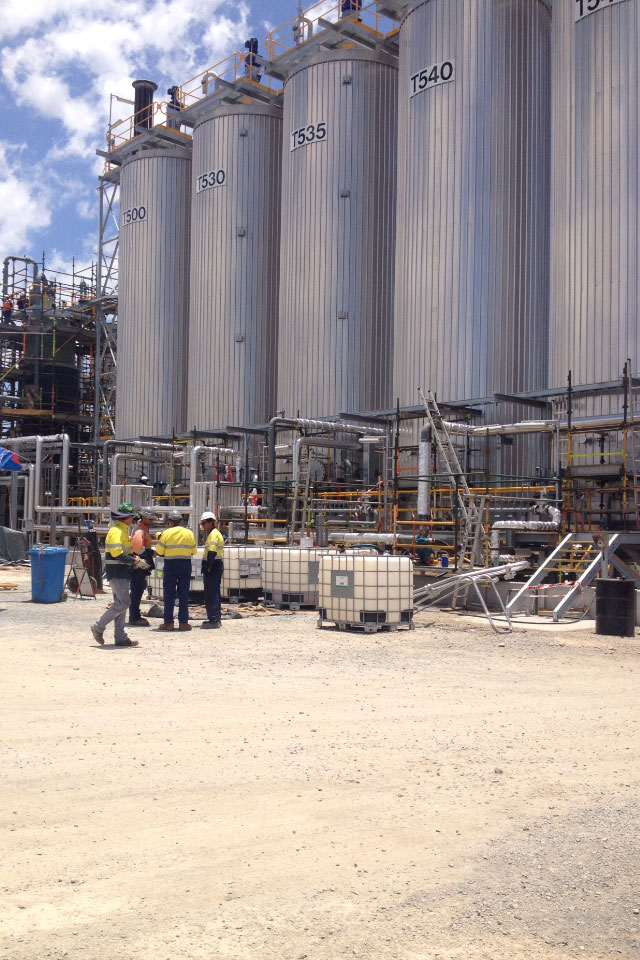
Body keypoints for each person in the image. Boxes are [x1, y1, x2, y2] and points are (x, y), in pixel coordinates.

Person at [91, 503, 148, 647]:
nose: (133, 520)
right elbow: (117, 554)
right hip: (117, 572)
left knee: (121, 605)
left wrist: (134, 559)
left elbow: (123, 552)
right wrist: (134, 561)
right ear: (128, 517)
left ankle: (120, 637)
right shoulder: (117, 531)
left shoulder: (121, 530)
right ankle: (98, 627)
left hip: (121, 572)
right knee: (124, 603)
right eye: (132, 517)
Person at [155, 509, 197, 631]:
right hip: (185, 565)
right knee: (184, 594)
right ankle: (183, 623)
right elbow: (193, 551)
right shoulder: (189, 533)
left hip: (170, 565)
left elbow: (159, 552)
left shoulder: (166, 533)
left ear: (169, 521)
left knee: (169, 595)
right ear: (180, 521)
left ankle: (168, 623)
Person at [129, 508, 158, 626]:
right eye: (149, 519)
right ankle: (134, 617)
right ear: (143, 517)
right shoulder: (140, 530)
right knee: (137, 590)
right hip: (139, 565)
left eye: (152, 519)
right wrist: (151, 552)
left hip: (140, 565)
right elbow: (137, 548)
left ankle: (135, 615)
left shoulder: (143, 529)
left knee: (138, 590)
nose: (151, 521)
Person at [200, 511, 224, 629]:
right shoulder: (213, 534)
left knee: (211, 593)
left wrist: (208, 566)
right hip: (216, 565)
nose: (202, 526)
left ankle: (213, 620)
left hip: (213, 566)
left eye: (204, 523)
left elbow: (212, 552)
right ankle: (216, 618)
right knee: (214, 592)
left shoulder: (213, 535)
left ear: (210, 522)